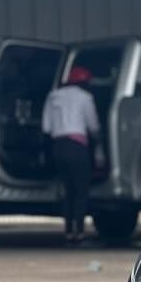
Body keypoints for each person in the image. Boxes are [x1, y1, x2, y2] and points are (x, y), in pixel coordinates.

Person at [41, 66, 101, 244]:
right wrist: (99, 143)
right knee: (81, 190)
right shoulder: (85, 97)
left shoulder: (53, 96)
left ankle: (68, 231)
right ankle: (80, 232)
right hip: (77, 147)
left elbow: (46, 127)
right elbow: (93, 126)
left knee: (68, 191)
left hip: (58, 147)